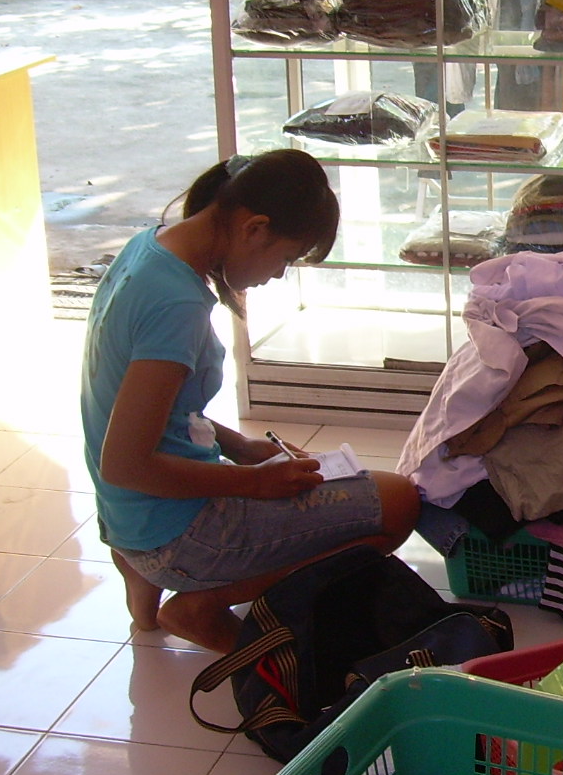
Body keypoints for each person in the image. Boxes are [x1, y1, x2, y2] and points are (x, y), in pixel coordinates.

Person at [81, 149, 421, 653]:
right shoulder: (175, 303)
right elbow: (126, 464)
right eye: (286, 256)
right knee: (399, 501)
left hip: (127, 518)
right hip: (175, 528)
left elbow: (143, 407)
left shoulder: (148, 250)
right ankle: (204, 602)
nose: (280, 274)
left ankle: (142, 583)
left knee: (329, 482)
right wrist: (253, 484)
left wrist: (238, 445)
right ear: (254, 228)